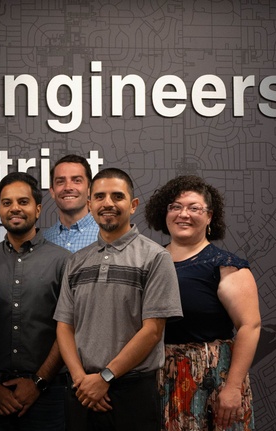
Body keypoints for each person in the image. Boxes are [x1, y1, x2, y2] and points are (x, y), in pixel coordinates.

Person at [53, 168, 182, 431]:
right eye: (99, 197)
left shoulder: (156, 257)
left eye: (117, 196)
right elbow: (65, 326)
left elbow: (153, 331)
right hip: (82, 390)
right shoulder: (76, 262)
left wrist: (105, 377)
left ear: (133, 205)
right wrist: (81, 380)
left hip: (132, 391)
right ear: (90, 205)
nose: (108, 203)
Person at [145, 176, 260, 431]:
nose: (183, 214)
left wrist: (232, 388)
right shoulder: (148, 261)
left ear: (209, 217)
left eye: (194, 208)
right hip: (160, 379)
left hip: (214, 380)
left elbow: (249, 326)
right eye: (175, 206)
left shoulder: (226, 266)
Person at [0, 172, 70, 430]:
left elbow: (69, 327)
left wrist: (39, 382)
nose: (15, 208)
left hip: (48, 395)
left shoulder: (64, 261)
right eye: (6, 203)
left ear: (38, 208)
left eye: (23, 201)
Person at [44, 155, 98, 253]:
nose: (68, 187)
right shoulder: (43, 240)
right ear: (52, 191)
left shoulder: (107, 236)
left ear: (90, 188)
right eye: (60, 182)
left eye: (77, 181)